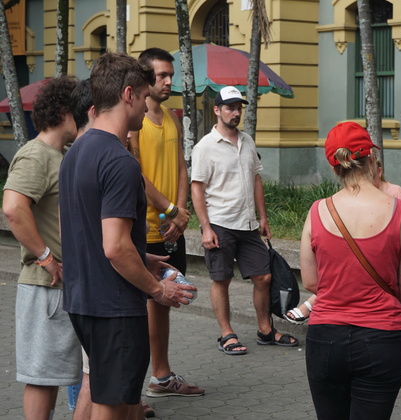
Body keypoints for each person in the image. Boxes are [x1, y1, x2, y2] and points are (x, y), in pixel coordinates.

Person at [59, 53, 195, 420]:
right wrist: (158, 290)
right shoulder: (119, 161)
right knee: (113, 404)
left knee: (110, 394)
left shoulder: (75, 153)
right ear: (129, 94)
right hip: (114, 304)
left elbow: (90, 231)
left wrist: (142, 255)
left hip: (82, 299)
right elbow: (114, 246)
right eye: (147, 91)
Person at [299, 121, 401, 419]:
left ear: (334, 168)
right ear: (372, 160)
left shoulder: (317, 212)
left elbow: (312, 281)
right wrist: (386, 306)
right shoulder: (400, 210)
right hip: (382, 339)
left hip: (325, 337)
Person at [191, 85, 298, 355]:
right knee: (222, 279)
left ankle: (265, 329)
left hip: (248, 224)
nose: (235, 112)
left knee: (263, 277)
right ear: (217, 110)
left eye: (239, 107)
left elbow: (256, 179)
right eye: (230, 107)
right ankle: (226, 333)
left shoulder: (247, 141)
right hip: (220, 223)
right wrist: (205, 228)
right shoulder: (205, 147)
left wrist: (262, 217)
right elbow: (197, 187)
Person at [2, 76, 81, 420]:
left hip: (59, 286)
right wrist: (47, 258)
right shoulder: (36, 155)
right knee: (41, 377)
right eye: (79, 111)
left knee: (50, 376)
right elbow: (12, 209)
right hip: (45, 284)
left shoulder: (58, 155)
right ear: (64, 112)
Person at [130, 47, 204, 399]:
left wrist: (180, 213)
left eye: (170, 75)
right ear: (145, 77)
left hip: (170, 228)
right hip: (143, 229)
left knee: (163, 304)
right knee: (140, 305)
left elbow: (181, 168)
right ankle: (131, 388)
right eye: (161, 75)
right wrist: (170, 210)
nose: (168, 81)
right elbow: (136, 173)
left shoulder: (172, 118)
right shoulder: (134, 120)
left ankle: (160, 377)